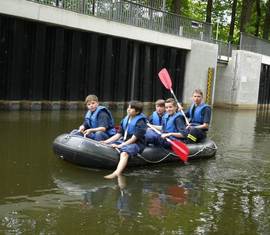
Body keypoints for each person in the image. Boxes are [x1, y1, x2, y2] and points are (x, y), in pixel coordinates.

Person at [102, 100, 147, 179]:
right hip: (125, 140)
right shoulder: (126, 119)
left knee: (124, 153)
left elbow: (133, 139)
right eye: (128, 107)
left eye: (131, 108)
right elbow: (119, 134)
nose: (128, 109)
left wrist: (120, 145)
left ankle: (117, 173)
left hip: (137, 144)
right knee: (108, 145)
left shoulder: (141, 122)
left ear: (137, 112)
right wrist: (106, 141)